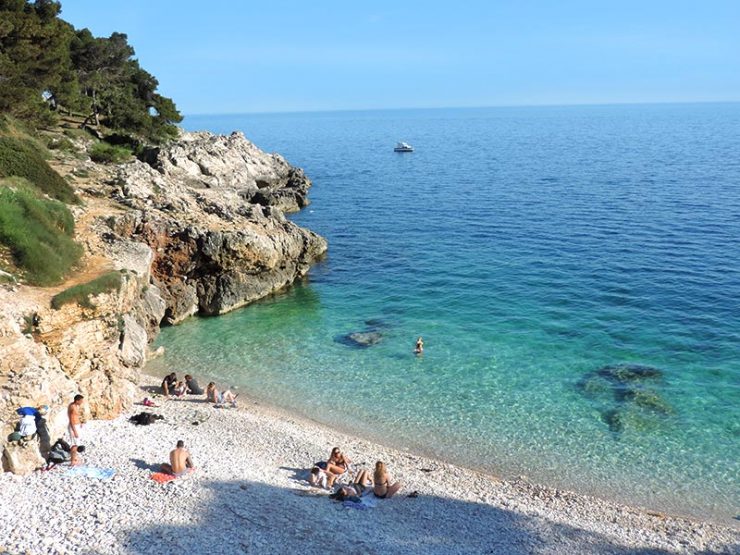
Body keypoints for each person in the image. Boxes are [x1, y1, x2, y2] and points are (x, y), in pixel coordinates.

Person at [67, 394, 85, 466]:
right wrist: (74, 431)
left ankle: (74, 458)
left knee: (77, 443)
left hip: (76, 425)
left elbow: (76, 416)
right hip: (73, 426)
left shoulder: (76, 406)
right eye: (81, 401)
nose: (82, 402)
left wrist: (80, 422)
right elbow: (71, 420)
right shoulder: (72, 407)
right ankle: (72, 461)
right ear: (77, 401)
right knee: (75, 445)